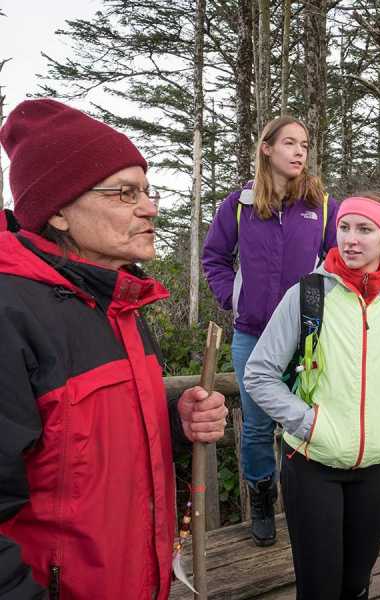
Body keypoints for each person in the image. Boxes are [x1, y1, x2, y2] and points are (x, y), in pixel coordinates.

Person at [0, 99, 228, 600]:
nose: (150, 207)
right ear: (58, 210)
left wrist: (173, 416)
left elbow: (75, 446)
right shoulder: (11, 314)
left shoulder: (120, 301)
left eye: (147, 190)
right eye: (125, 193)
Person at [244, 195, 380, 599]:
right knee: (319, 587)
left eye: (365, 230)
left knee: (356, 582)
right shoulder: (309, 295)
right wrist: (309, 424)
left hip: (377, 465)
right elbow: (259, 374)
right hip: (313, 465)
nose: (351, 240)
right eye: (345, 228)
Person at [202, 115, 338, 546]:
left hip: (306, 338)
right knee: (259, 427)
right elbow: (215, 258)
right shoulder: (239, 205)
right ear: (267, 149)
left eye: (305, 145)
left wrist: (322, 306)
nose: (300, 152)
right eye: (290, 143)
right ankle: (262, 500)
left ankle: (302, 506)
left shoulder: (323, 206)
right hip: (253, 336)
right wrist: (234, 299)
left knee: (304, 424)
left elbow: (339, 263)